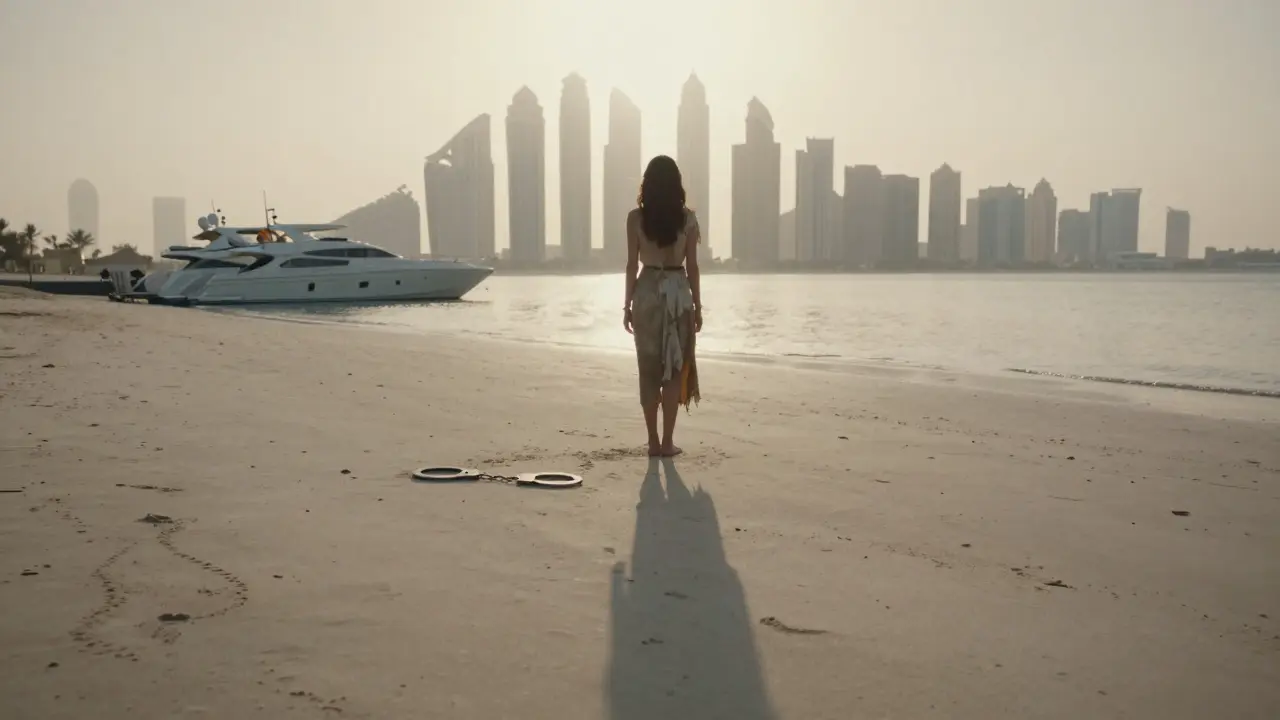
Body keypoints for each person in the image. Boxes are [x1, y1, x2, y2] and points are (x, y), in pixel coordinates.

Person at [623, 155, 702, 457]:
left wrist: (627, 304)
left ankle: (653, 442)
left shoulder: (635, 219)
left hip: (646, 292)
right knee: (673, 369)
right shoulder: (688, 219)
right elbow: (692, 267)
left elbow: (632, 265)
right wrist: (698, 305)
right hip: (678, 293)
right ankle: (668, 442)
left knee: (648, 369)